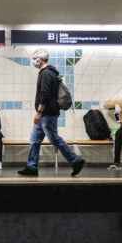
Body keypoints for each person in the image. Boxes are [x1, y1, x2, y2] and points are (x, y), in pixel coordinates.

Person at [18, 49, 85, 177]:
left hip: (47, 113)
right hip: (47, 113)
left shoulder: (46, 73)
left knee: (54, 138)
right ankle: (32, 167)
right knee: (34, 140)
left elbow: (45, 94)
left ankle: (75, 160)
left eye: (34, 59)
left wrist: (39, 112)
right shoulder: (49, 73)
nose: (33, 62)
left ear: (40, 59)